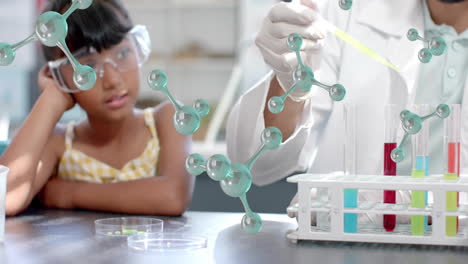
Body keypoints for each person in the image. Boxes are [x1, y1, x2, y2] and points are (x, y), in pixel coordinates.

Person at [227, 0, 468, 221]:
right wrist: (290, 87)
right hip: (349, 245)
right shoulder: (348, 13)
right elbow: (256, 163)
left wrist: (417, 203)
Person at [1, 0, 194, 216]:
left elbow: (172, 197)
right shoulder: (60, 143)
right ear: (57, 77)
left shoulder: (167, 119)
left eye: (122, 54)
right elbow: (4, 198)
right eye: (87, 66)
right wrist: (51, 99)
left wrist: (69, 193)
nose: (112, 80)